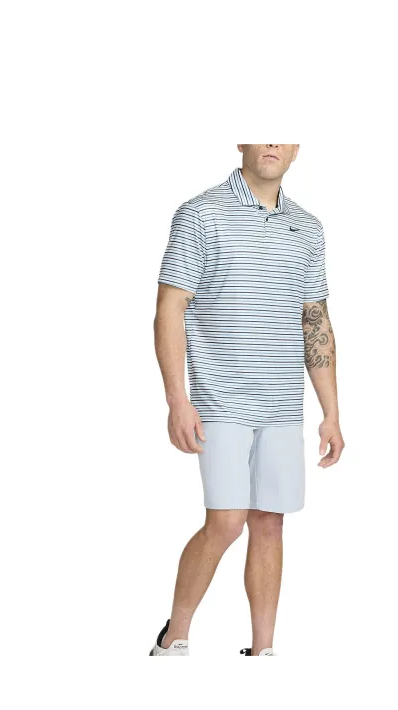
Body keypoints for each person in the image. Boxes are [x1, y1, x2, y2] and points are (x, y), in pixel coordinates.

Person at [150, 144, 344, 656]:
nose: (273, 143)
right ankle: (174, 638)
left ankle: (263, 652)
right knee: (227, 521)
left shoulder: (308, 228)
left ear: (297, 147)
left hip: (281, 403)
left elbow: (315, 320)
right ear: (242, 139)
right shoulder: (200, 214)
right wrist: (177, 399)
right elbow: (170, 306)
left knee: (270, 522)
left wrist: (331, 413)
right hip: (219, 399)